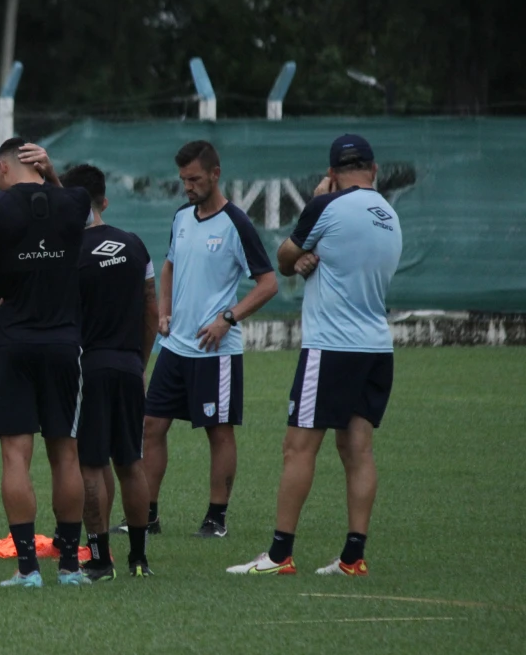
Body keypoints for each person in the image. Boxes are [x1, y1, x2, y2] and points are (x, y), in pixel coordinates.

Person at [229, 134, 402, 576]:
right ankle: (353, 557)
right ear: (374, 169)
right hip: (377, 347)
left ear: (331, 174)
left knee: (297, 448)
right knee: (358, 449)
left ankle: (280, 554)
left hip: (331, 346)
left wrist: (309, 232)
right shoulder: (389, 213)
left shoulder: (325, 207)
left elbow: (285, 258)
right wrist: (313, 253)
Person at [0, 138, 92, 588]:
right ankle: (69, 566)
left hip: (10, 342)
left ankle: (27, 568)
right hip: (64, 342)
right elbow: (74, 217)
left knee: (16, 455)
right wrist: (54, 174)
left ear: (3, 168)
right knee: (65, 452)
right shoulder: (75, 199)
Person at [143, 140, 277, 538]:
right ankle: (147, 515)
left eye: (195, 179)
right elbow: (168, 267)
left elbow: (268, 283)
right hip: (174, 346)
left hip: (214, 351)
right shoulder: (182, 217)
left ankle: (216, 517)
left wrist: (228, 318)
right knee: (151, 425)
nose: (188, 187)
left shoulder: (236, 223)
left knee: (218, 431)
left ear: (215, 175)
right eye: (184, 179)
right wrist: (163, 311)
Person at [59, 163, 158, 580]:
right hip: (129, 364)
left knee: (90, 465)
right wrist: (140, 360)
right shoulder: (135, 245)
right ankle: (139, 560)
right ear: (105, 200)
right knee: (131, 462)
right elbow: (152, 308)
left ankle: (100, 559)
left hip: (91, 366)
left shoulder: (70, 252)